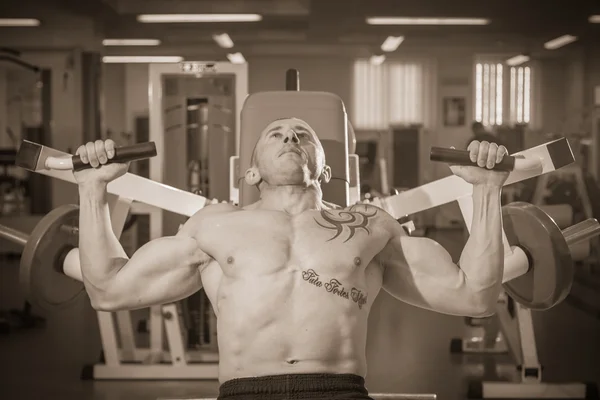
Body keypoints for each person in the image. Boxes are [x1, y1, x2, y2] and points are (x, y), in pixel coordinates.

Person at [74, 117, 509, 400]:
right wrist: (92, 190)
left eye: (303, 134)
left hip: (338, 390)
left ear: (324, 169)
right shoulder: (213, 226)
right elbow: (108, 290)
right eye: (275, 133)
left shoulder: (369, 226)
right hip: (245, 392)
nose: (290, 137)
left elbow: (474, 297)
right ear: (251, 172)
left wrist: (487, 189)